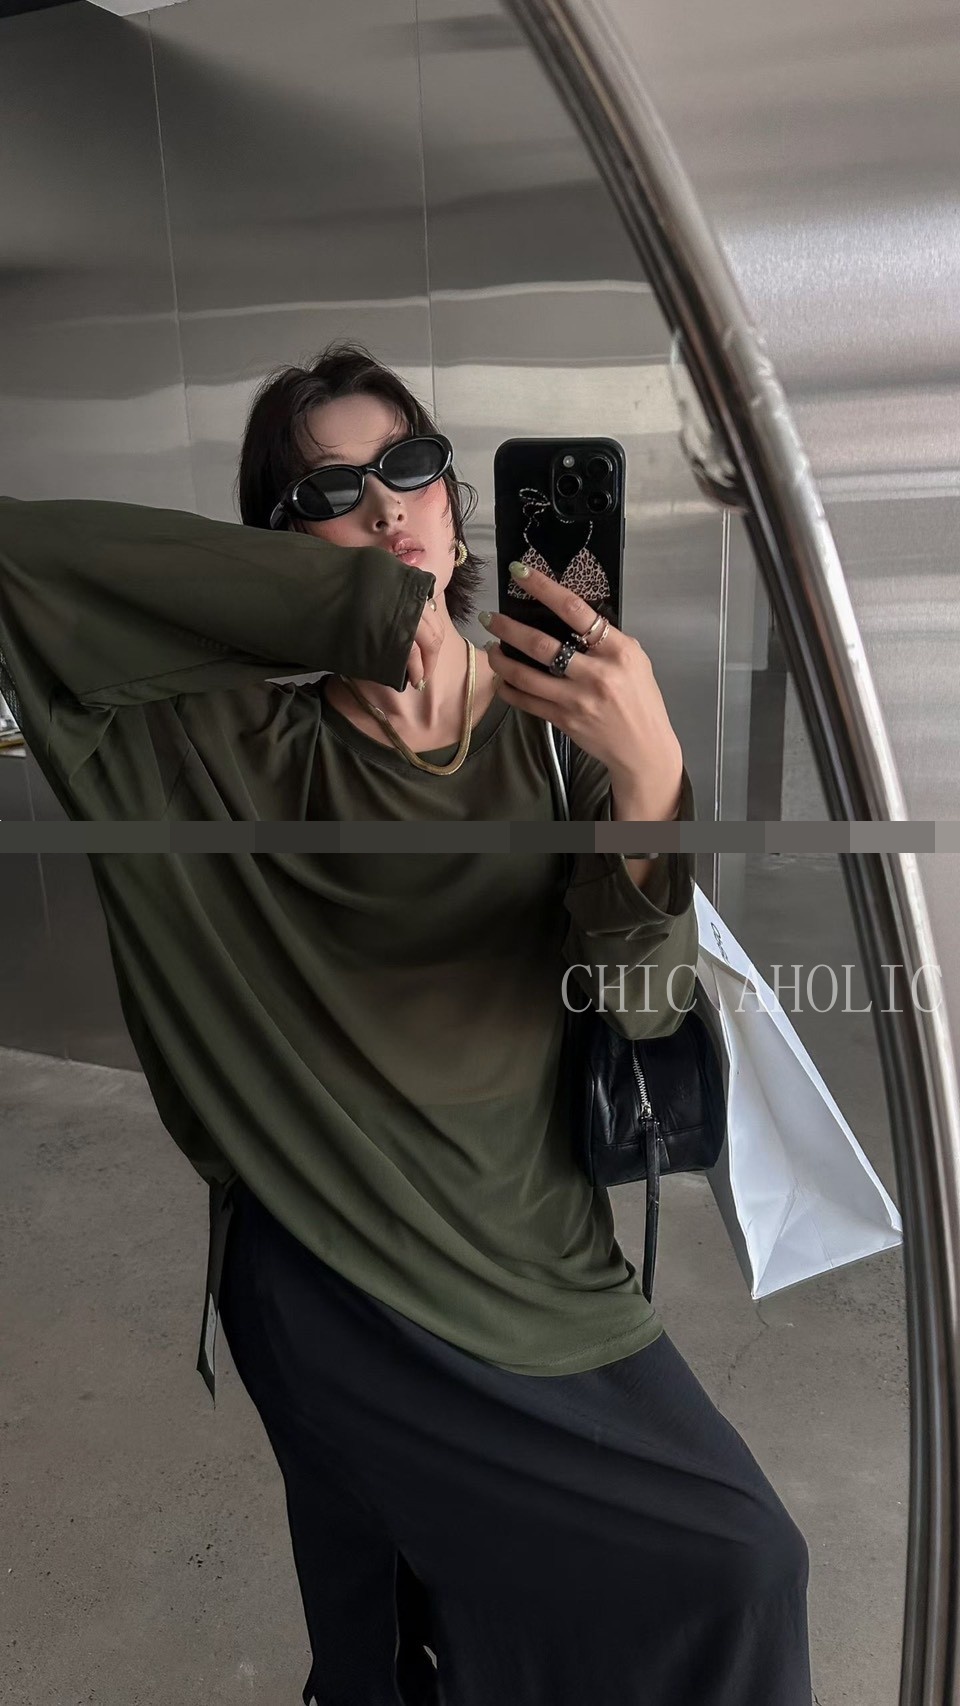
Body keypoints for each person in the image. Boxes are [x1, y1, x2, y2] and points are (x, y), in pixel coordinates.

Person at [0, 340, 811, 1705]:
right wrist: (354, 617)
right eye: (330, 493)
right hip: (335, 1261)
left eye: (409, 467)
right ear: (276, 552)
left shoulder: (555, 731)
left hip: (541, 1251)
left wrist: (650, 776)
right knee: (659, 1579)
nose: (385, 509)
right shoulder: (212, 750)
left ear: (455, 501)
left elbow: (641, 1001)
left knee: (667, 1581)